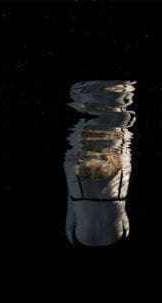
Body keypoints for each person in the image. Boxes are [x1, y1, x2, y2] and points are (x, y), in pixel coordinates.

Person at [64, 80, 136, 247]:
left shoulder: (124, 165)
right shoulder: (71, 166)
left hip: (119, 236)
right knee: (73, 195)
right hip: (79, 239)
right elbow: (71, 209)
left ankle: (120, 92)